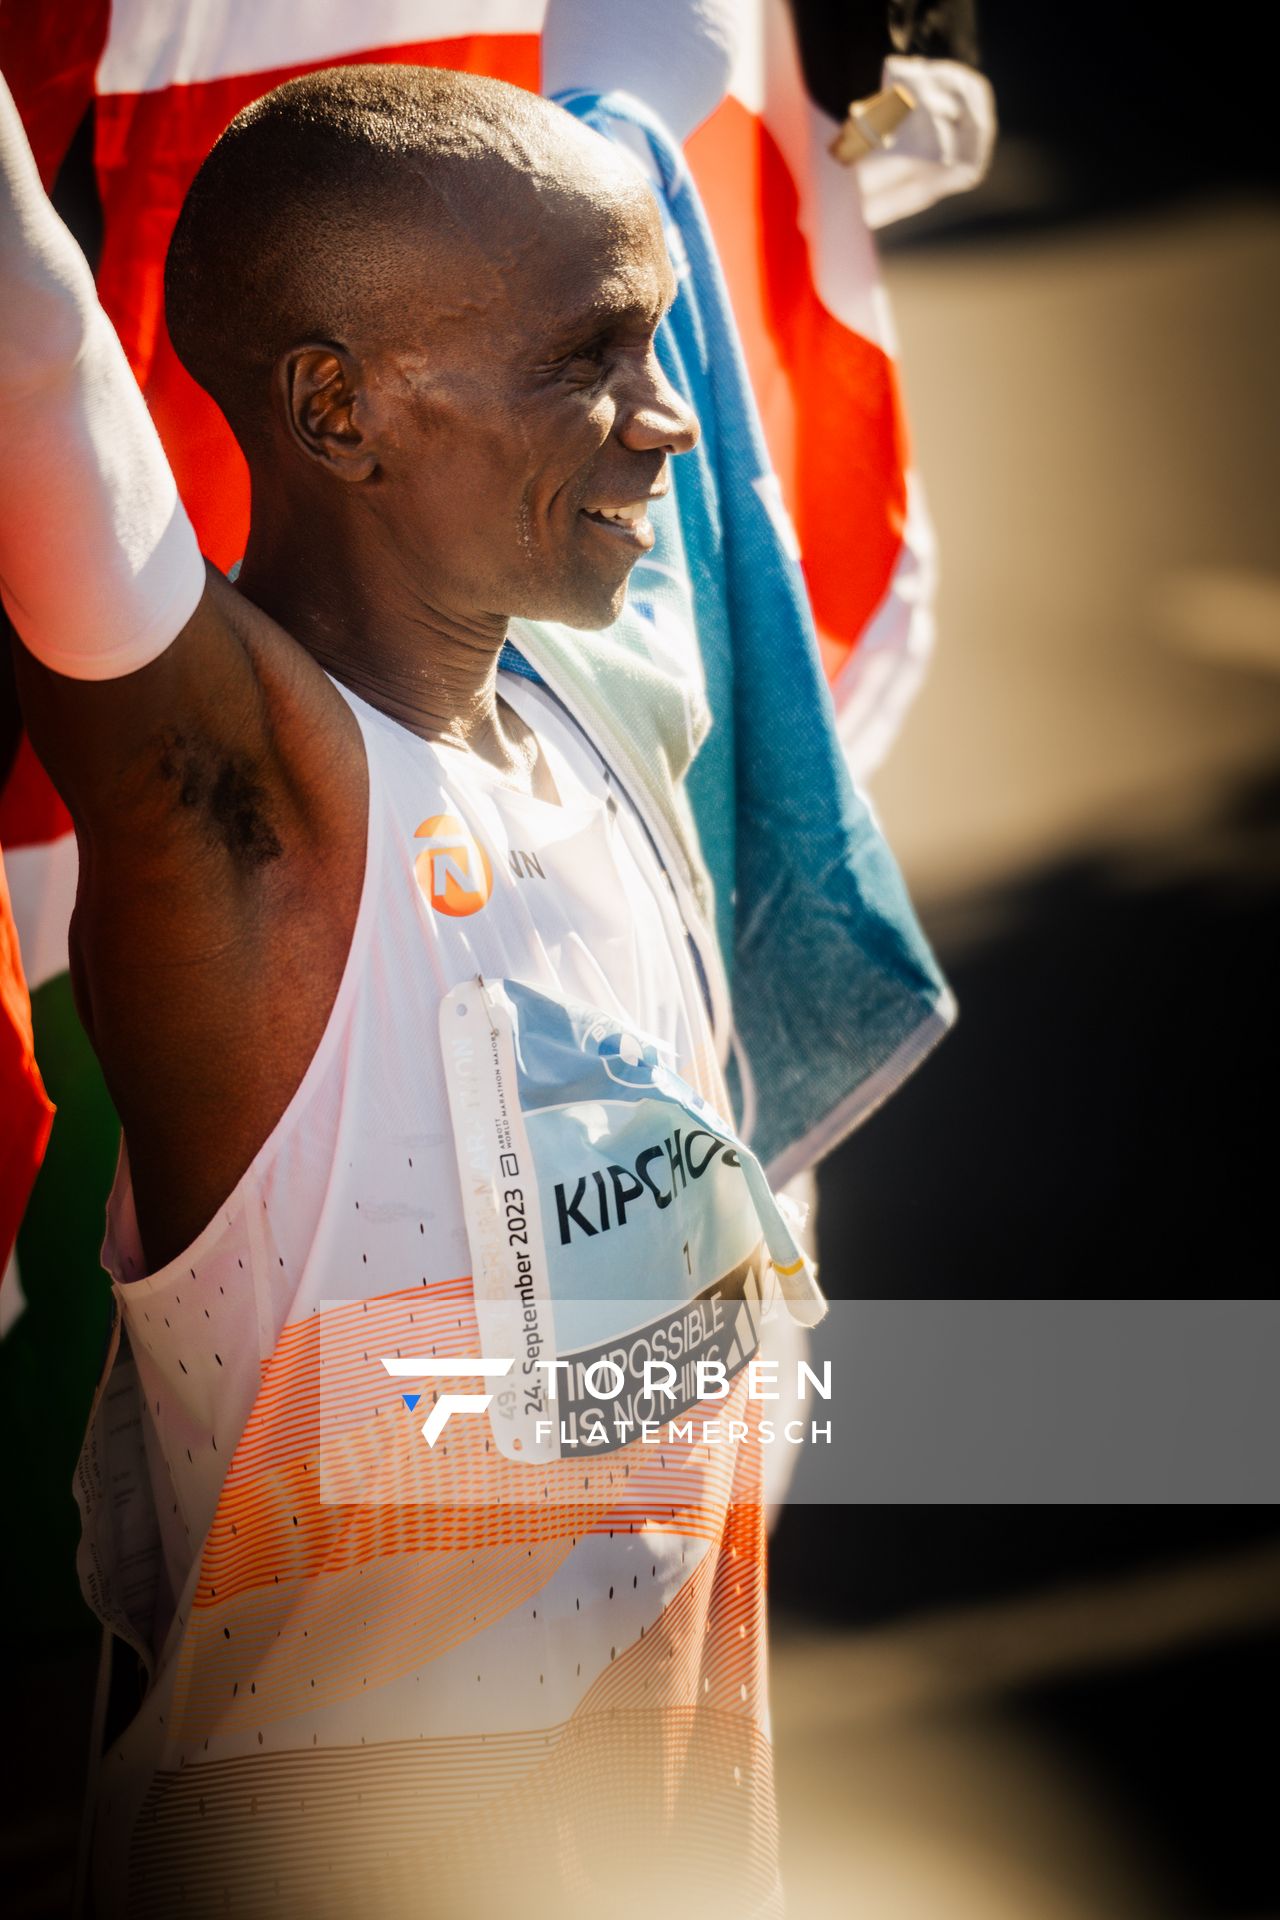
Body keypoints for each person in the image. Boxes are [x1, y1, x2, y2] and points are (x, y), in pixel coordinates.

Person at [2, 60, 824, 1920]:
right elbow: (36, 358)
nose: (670, 421)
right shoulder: (250, 827)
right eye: (588, 358)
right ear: (334, 409)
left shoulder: (591, 731)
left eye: (660, 340)